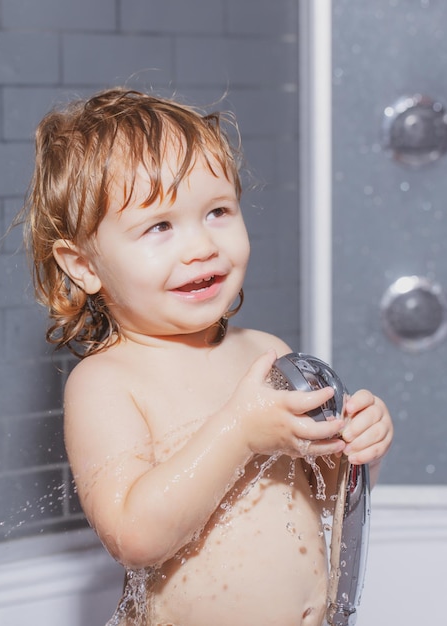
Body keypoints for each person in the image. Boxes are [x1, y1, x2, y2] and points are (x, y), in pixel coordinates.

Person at [22, 87, 393, 626]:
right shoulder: (106, 383)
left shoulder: (267, 353)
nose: (201, 246)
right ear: (83, 265)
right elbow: (135, 537)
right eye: (160, 226)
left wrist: (361, 455)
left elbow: (325, 498)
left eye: (217, 211)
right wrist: (236, 433)